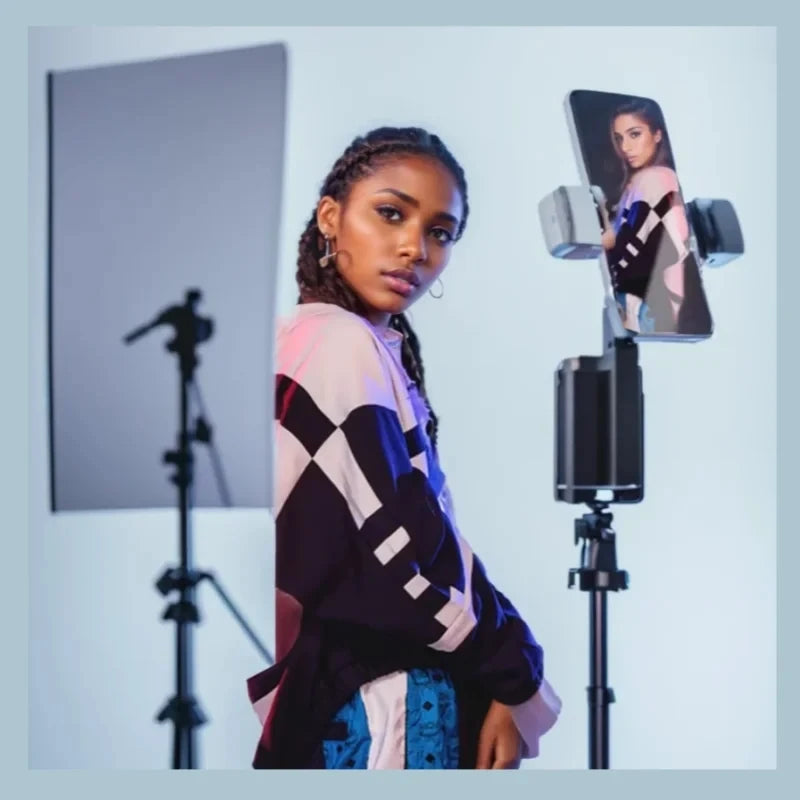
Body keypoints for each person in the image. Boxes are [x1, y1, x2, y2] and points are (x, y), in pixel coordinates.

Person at [246, 126, 561, 769]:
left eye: (441, 232)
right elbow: (406, 549)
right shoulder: (337, 343)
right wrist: (516, 671)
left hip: (351, 696)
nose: (415, 247)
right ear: (330, 217)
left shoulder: (319, 342)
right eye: (391, 213)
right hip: (382, 704)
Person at [599, 98, 709, 335]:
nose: (625, 147)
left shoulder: (655, 178)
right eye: (619, 138)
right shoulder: (640, 182)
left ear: (657, 135)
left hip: (647, 307)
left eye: (634, 134)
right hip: (652, 306)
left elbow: (628, 255)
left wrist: (603, 237)